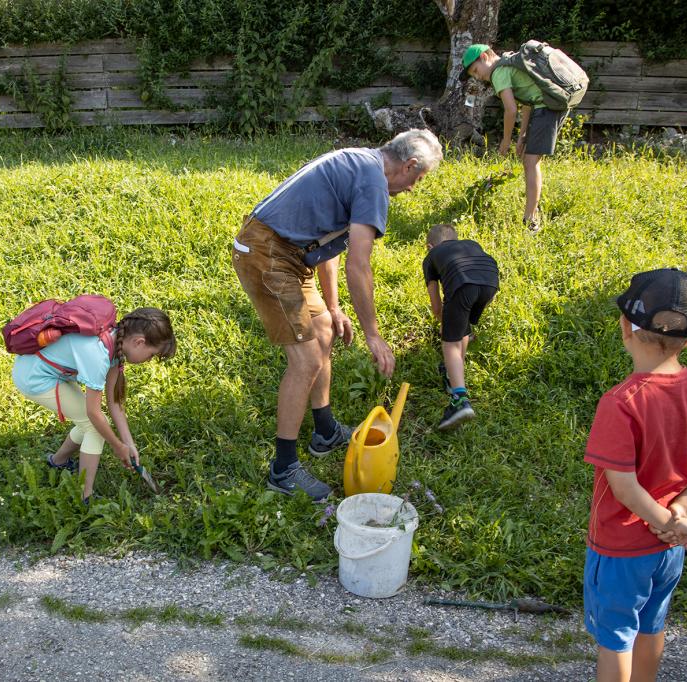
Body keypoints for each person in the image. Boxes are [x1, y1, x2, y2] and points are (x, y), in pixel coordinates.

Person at [232, 129, 443, 501]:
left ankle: (325, 431)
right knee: (306, 360)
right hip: (267, 253)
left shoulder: (361, 163)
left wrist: (333, 307)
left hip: (292, 255)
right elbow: (359, 265)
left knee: (325, 330)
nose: (412, 188)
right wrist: (372, 334)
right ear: (409, 165)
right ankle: (283, 470)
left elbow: (330, 244)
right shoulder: (373, 180)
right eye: (418, 179)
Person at [582, 268, 687, 682]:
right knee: (651, 626)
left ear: (624, 328)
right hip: (668, 549)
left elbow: (624, 487)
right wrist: (681, 510)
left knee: (615, 637)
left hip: (622, 546)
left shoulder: (620, 402)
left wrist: (666, 520)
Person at [11, 308, 176, 503]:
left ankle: (58, 461)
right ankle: (85, 497)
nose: (148, 361)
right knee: (95, 428)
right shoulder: (98, 356)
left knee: (91, 423)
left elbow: (114, 403)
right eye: (151, 355)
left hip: (48, 371)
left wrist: (128, 443)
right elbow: (93, 413)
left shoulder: (116, 343)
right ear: (139, 342)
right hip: (34, 377)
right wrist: (117, 446)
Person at [461, 43, 568, 233]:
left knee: (531, 162)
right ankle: (532, 211)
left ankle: (530, 220)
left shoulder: (499, 72)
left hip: (546, 108)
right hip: (544, 106)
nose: (478, 77)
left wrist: (506, 140)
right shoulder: (510, 63)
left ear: (485, 57)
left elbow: (510, 110)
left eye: (476, 71)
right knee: (530, 160)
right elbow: (527, 103)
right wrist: (522, 135)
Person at [422, 223, 498, 430]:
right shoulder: (470, 244)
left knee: (450, 342)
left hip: (463, 282)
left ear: (430, 246)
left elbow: (436, 305)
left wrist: (442, 322)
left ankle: (459, 400)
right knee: (461, 329)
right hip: (491, 280)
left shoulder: (431, 256)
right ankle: (453, 372)